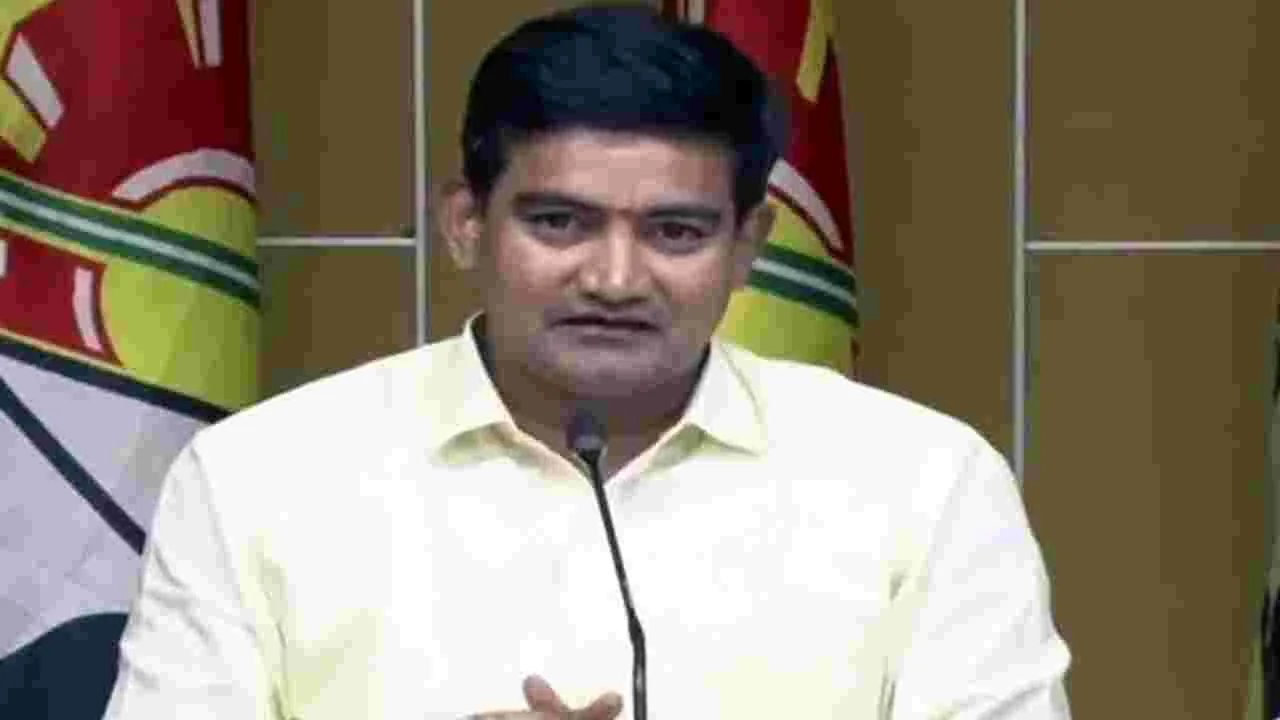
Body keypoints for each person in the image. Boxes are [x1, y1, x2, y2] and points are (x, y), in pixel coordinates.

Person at [103, 4, 1072, 718]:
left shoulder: (922, 484)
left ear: (748, 247)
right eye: (560, 222)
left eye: (675, 232)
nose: (614, 278)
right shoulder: (259, 479)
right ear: (466, 223)